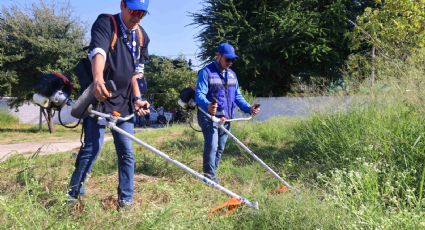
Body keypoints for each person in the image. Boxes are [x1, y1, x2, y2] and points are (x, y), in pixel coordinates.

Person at [68, 0, 151, 209]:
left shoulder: (142, 37)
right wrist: (97, 79)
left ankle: (126, 202)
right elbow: (99, 52)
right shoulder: (107, 23)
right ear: (122, 4)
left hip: (124, 103)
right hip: (100, 97)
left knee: (126, 152)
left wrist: (138, 98)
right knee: (92, 148)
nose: (136, 17)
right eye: (133, 11)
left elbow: (136, 74)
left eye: (142, 14)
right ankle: (72, 197)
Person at [195, 42, 260, 183]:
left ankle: (212, 173)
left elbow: (237, 96)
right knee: (212, 146)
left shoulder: (232, 75)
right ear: (218, 56)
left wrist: (249, 108)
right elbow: (199, 94)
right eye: (227, 59)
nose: (230, 62)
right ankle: (210, 179)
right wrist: (208, 106)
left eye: (232, 60)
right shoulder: (206, 72)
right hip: (209, 117)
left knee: (220, 148)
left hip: (226, 118)